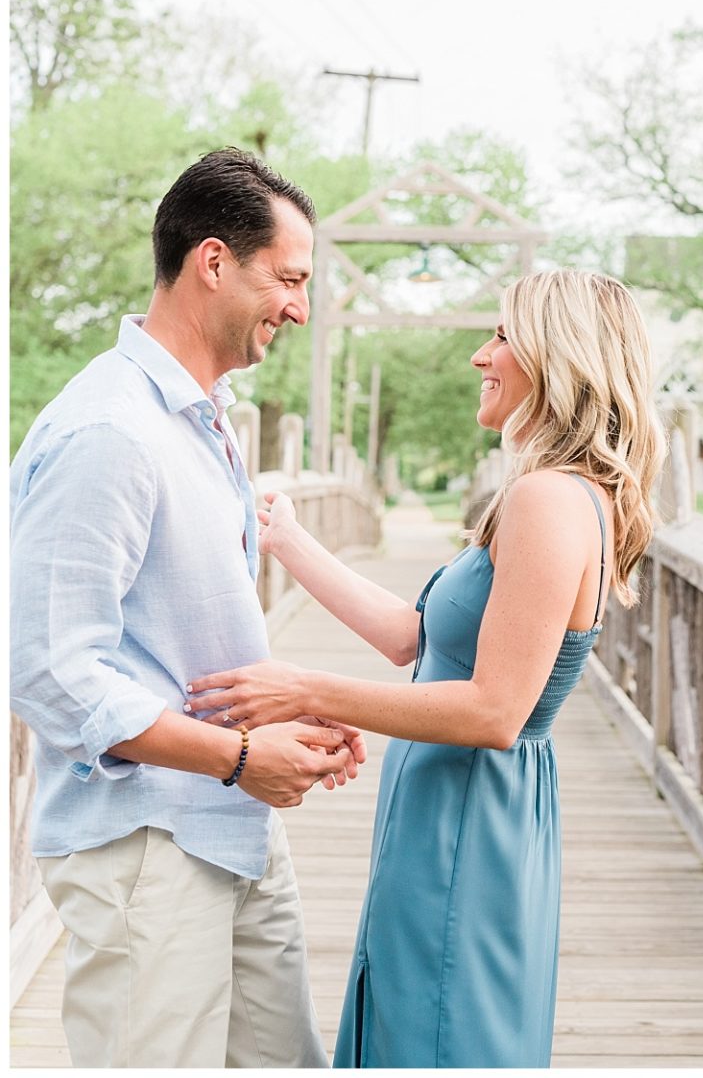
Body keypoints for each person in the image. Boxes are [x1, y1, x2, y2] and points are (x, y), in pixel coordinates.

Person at [185, 269, 667, 1067]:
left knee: (438, 1035)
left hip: (468, 820)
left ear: (560, 356)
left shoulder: (548, 499)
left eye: (503, 336)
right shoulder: (555, 492)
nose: (481, 356)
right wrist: (291, 543)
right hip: (453, 811)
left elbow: (494, 712)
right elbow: (416, 639)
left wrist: (303, 688)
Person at [9, 148, 364, 1068]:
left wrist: (281, 718)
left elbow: (174, 636)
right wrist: (239, 757)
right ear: (214, 262)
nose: (299, 308)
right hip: (147, 846)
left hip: (230, 827)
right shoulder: (110, 431)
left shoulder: (202, 418)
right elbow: (49, 672)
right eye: (289, 278)